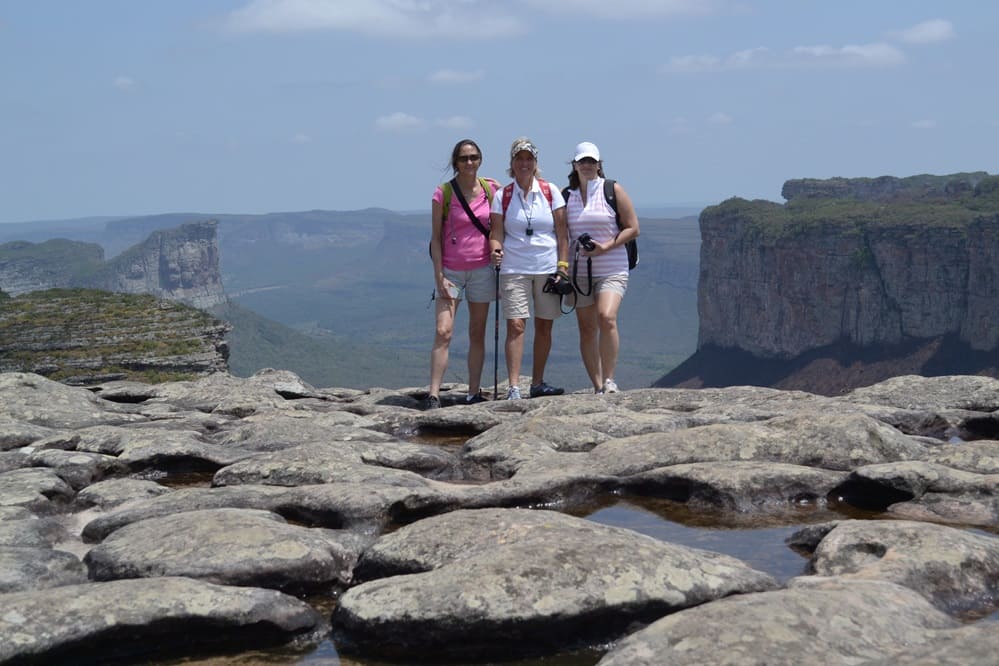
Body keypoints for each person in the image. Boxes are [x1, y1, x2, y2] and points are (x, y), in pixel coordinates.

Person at [489, 137, 570, 400]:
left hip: (547, 267)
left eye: (529, 159)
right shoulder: (503, 195)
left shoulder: (550, 191)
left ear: (535, 163)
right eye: (519, 159)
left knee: (545, 326)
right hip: (514, 267)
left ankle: (537, 382)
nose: (524, 164)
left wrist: (562, 266)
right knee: (516, 325)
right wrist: (495, 248)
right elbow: (496, 232)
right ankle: (513, 387)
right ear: (512, 164)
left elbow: (562, 233)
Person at [427, 139, 500, 409]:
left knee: (477, 332)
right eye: (463, 158)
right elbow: (435, 238)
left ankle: (473, 392)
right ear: (455, 162)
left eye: (473, 157)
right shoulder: (443, 193)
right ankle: (434, 393)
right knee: (443, 331)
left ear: (480, 159)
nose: (469, 162)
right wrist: (439, 276)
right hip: (452, 272)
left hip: (482, 269)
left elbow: (501, 224)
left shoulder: (490, 190)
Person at [563, 141, 640, 394]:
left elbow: (632, 227)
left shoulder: (612, 189)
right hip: (580, 272)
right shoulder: (566, 196)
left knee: (606, 317)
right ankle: (597, 386)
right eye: (582, 161)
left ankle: (609, 380)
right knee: (586, 328)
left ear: (599, 164)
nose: (587, 165)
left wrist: (606, 246)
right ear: (574, 165)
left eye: (591, 161)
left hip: (612, 266)